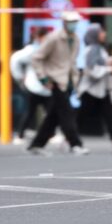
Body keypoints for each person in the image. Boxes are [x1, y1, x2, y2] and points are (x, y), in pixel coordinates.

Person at [28, 11, 88, 155]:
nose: (74, 25)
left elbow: (72, 62)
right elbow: (37, 58)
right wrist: (43, 78)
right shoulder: (53, 38)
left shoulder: (76, 39)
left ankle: (37, 144)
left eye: (75, 22)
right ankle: (75, 143)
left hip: (68, 81)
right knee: (66, 114)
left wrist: (75, 79)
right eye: (71, 22)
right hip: (56, 80)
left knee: (53, 116)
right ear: (64, 23)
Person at [78, 23, 112, 153]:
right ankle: (69, 139)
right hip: (91, 89)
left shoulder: (98, 48)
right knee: (80, 116)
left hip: (101, 89)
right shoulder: (93, 49)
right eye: (101, 32)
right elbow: (92, 69)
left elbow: (99, 63)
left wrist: (109, 62)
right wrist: (109, 69)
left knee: (109, 115)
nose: (104, 34)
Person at [10, 26, 52, 144]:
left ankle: (49, 134)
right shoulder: (32, 50)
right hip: (34, 86)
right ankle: (20, 135)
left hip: (45, 86)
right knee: (30, 112)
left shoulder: (45, 48)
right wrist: (19, 77)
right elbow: (15, 60)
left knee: (50, 112)